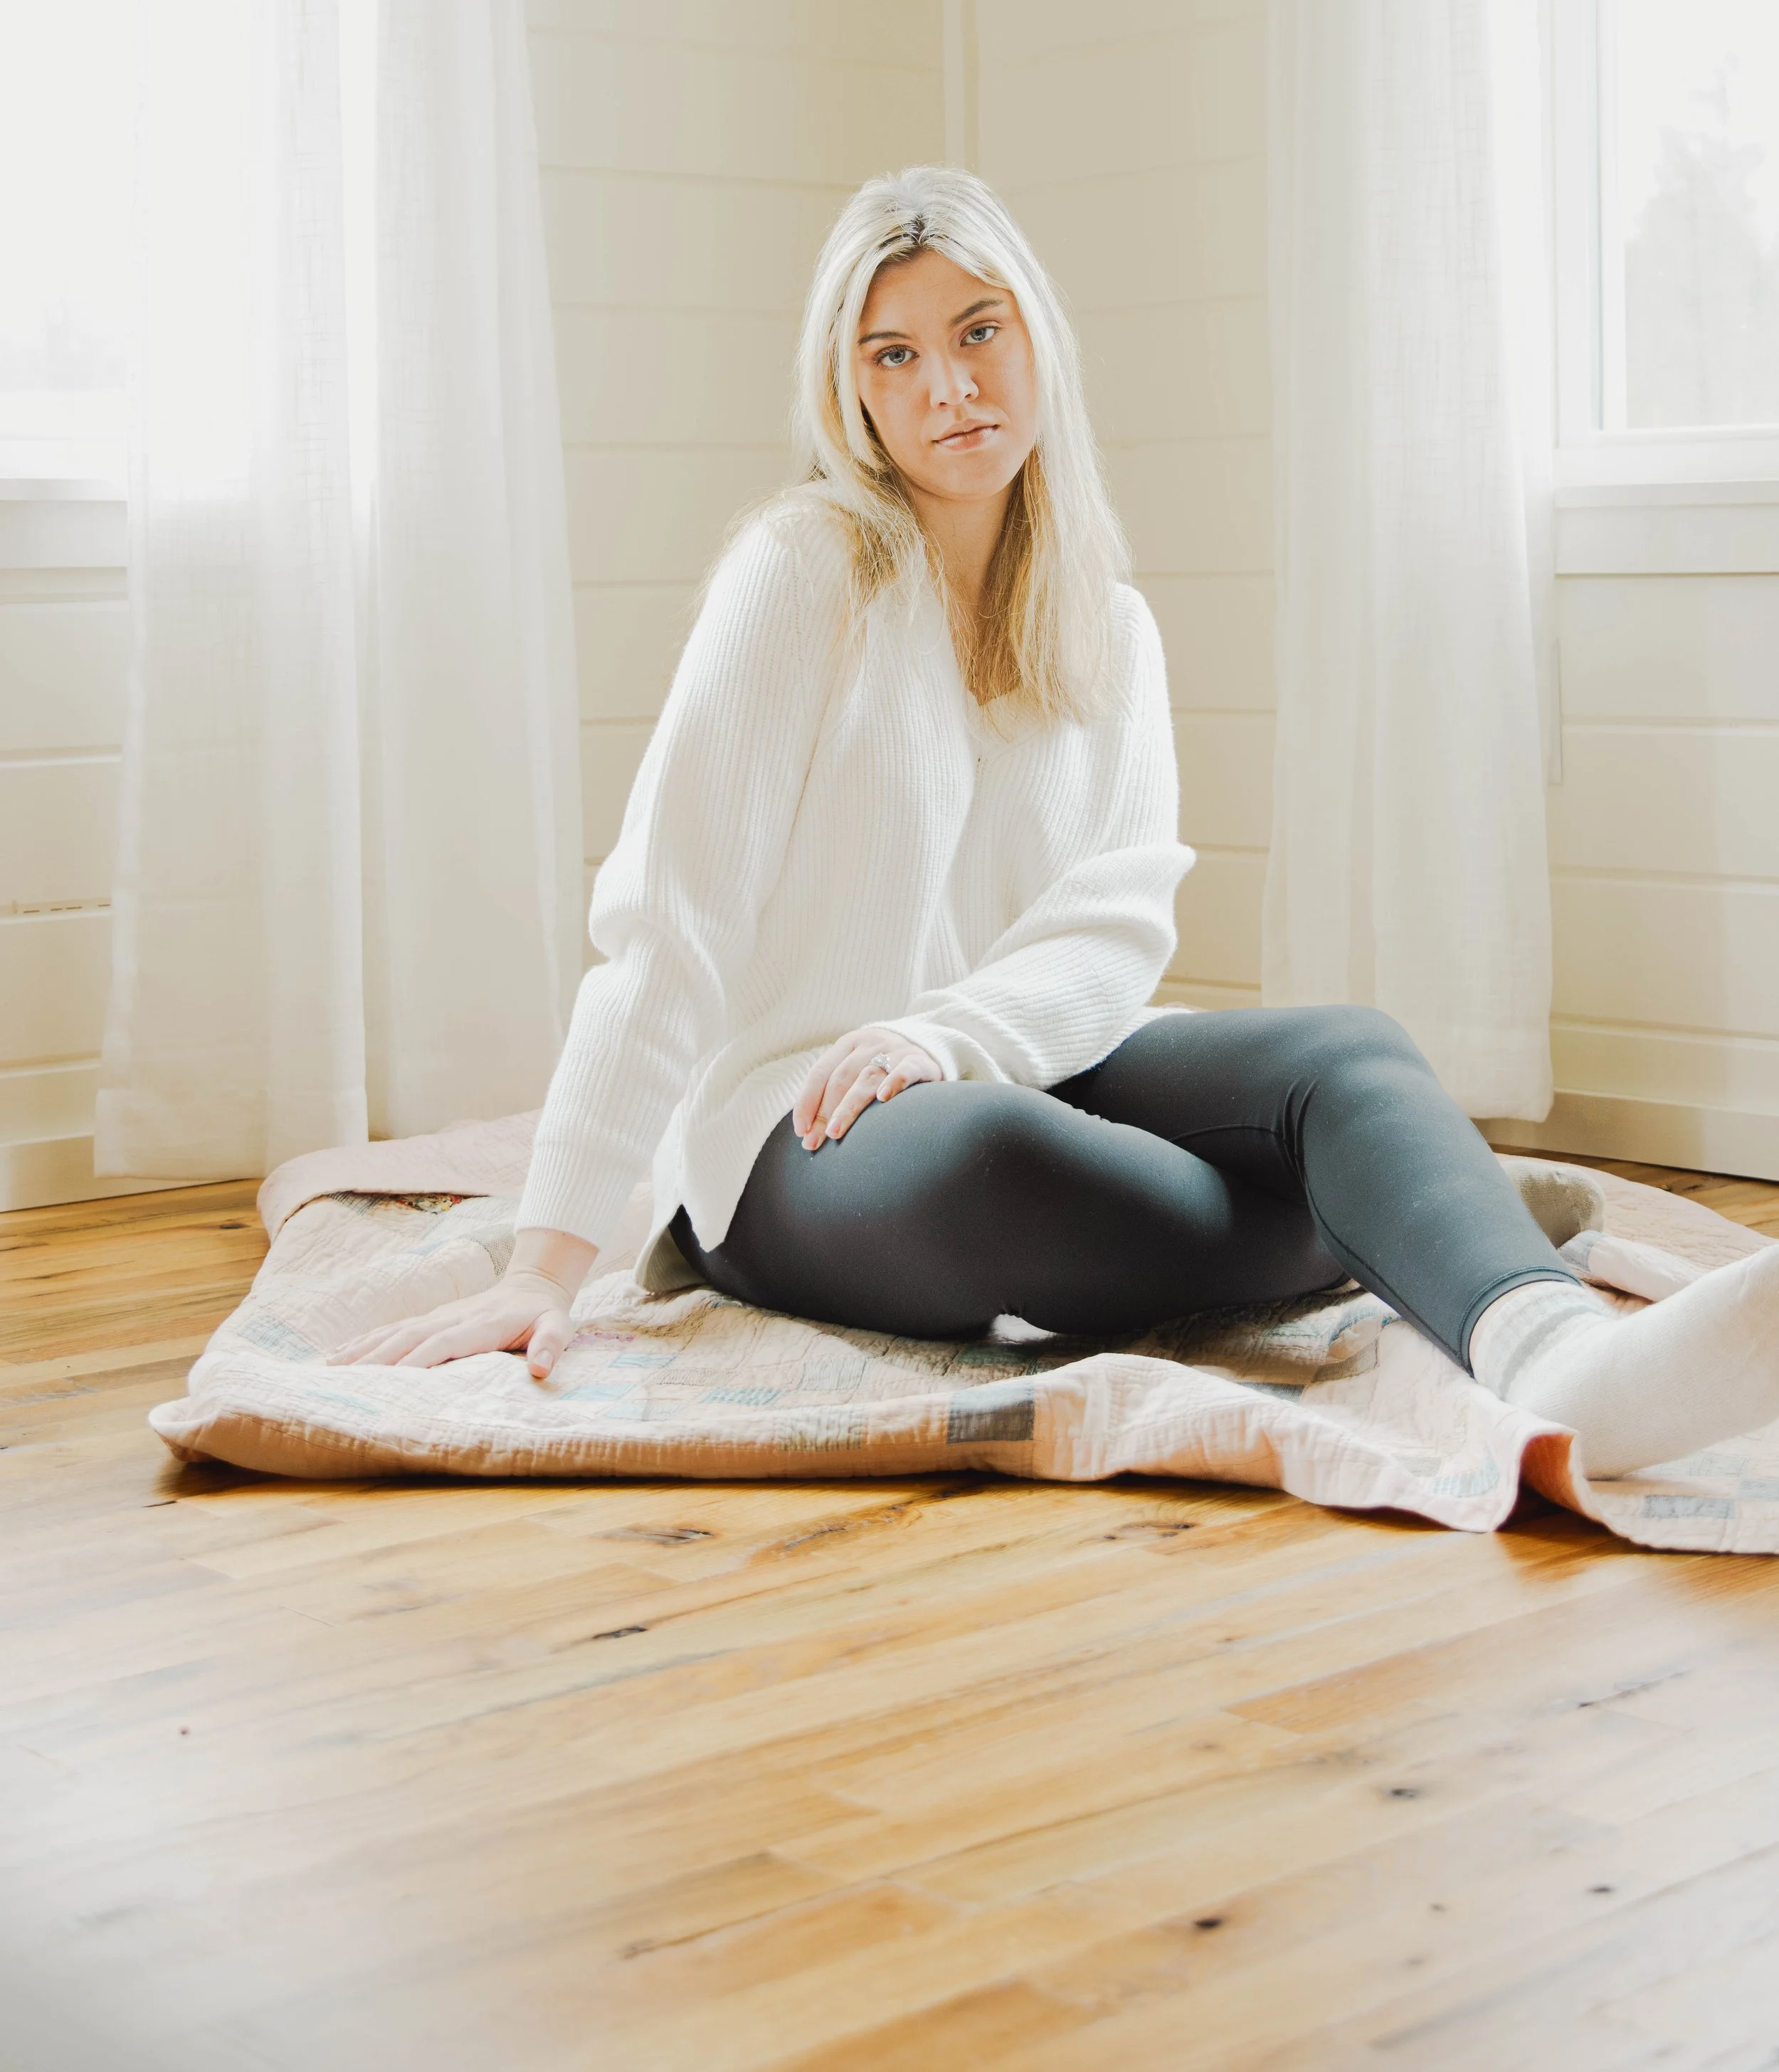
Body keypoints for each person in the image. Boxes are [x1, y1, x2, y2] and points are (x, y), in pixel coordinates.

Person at [332, 167, 1779, 1480]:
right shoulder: (803, 572)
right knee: (999, 1155)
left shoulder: (1109, 621)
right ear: (850, 393)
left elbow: (1115, 921)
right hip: (794, 1133)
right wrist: (543, 1265)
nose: (948, 385)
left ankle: (1561, 1366)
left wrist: (944, 1035)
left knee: (1349, 1053)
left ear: (1036, 340)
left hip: (1022, 1057)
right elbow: (671, 924)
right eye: (892, 355)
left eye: (979, 332)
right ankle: (1418, 1209)